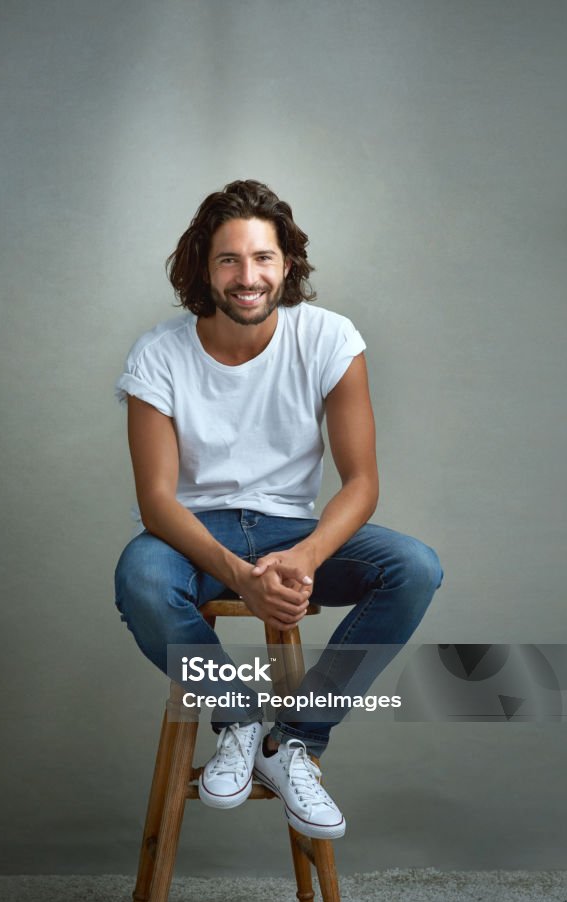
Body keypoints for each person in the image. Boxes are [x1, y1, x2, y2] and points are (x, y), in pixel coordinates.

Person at [114, 179, 442, 841]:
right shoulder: (158, 354)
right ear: (202, 269)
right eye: (228, 259)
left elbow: (360, 482)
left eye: (262, 257)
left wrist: (302, 557)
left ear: (286, 264)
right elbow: (155, 501)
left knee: (413, 566)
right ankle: (236, 718)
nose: (247, 276)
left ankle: (291, 742)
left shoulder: (328, 338)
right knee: (140, 580)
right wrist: (241, 579)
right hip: (192, 535)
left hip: (293, 529)